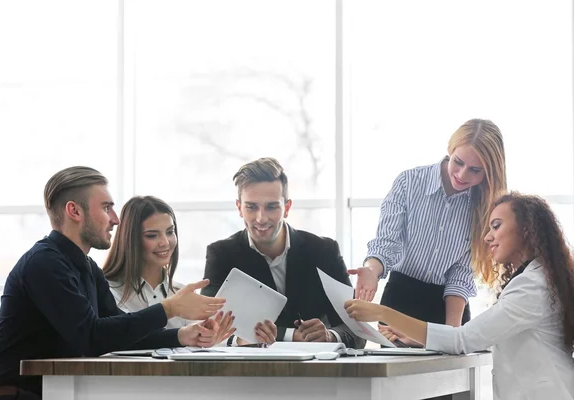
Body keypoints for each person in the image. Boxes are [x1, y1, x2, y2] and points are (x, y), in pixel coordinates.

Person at [0, 167, 228, 399]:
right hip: (9, 395)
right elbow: (91, 337)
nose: (116, 219)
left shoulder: (85, 266)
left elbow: (118, 333)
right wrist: (169, 308)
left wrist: (181, 335)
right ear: (74, 211)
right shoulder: (43, 264)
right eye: (106, 208)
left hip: (51, 391)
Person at [345, 193, 574, 399]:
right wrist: (418, 338)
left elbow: (463, 339)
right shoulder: (536, 278)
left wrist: (382, 312)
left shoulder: (532, 286)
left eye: (496, 226)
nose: (487, 237)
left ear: (526, 229)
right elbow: (485, 336)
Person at [350, 119, 507, 335]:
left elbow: (460, 273)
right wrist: (371, 270)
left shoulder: (485, 205)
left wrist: (450, 333)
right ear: (450, 150)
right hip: (400, 302)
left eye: (475, 170)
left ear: (488, 172)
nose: (462, 175)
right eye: (458, 162)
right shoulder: (409, 182)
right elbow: (387, 243)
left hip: (449, 307)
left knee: (448, 368)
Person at [201, 157, 365, 349]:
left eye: (271, 207)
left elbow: (357, 330)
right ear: (239, 208)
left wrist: (330, 336)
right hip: (249, 372)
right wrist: (288, 336)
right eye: (251, 207)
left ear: (287, 208)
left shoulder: (324, 251)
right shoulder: (221, 255)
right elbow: (210, 328)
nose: (261, 218)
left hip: (318, 372)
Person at [103, 195, 235, 345]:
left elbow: (200, 340)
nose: (165, 242)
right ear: (130, 239)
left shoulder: (182, 293)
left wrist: (210, 336)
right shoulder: (107, 291)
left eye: (170, 232)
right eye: (152, 235)